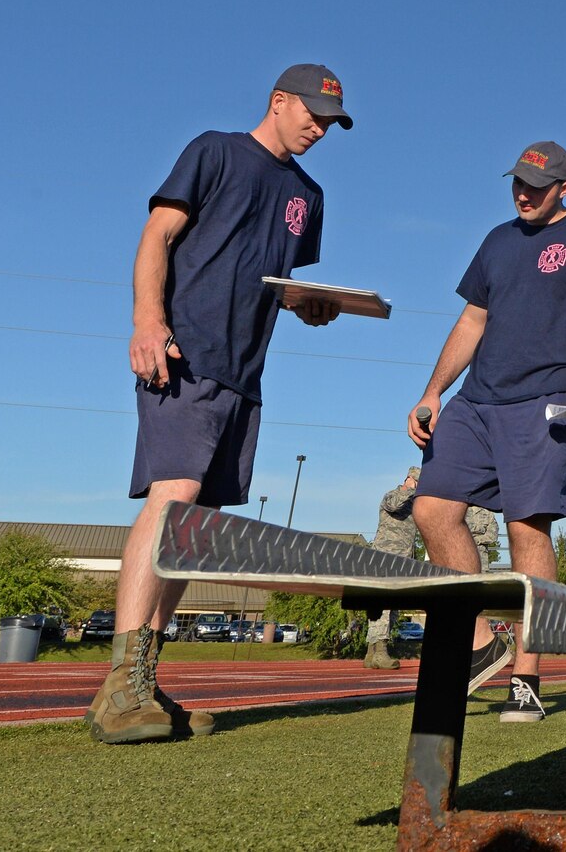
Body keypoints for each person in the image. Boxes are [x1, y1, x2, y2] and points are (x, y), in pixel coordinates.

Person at [94, 64, 350, 745]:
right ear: (278, 101)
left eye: (329, 123)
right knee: (172, 500)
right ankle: (118, 686)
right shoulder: (214, 150)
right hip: (184, 355)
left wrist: (312, 306)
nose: (318, 129)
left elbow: (276, 282)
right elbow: (158, 235)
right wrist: (149, 321)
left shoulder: (309, 195)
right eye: (312, 114)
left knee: (195, 529)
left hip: (245, 376)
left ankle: (144, 680)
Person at [408, 140, 566, 723]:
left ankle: (527, 676)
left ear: (564, 187)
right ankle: (482, 642)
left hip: (547, 404)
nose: (523, 193)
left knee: (525, 528)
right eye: (517, 182)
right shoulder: (496, 241)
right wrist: (434, 390)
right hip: (476, 400)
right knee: (432, 509)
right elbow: (472, 320)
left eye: (537, 185)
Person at [364, 466, 501, 670]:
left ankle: (372, 652)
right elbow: (394, 506)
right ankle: (379, 651)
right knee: (382, 604)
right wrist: (411, 488)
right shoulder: (394, 495)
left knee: (392, 607)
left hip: (403, 560)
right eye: (419, 482)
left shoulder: (414, 505)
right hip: (384, 558)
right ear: (410, 479)